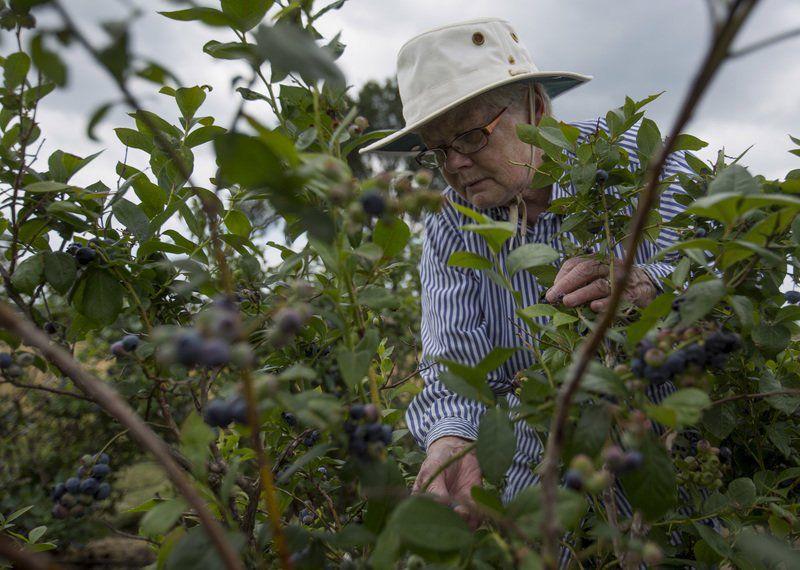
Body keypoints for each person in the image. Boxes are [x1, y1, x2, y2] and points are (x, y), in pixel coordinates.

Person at [360, 18, 690, 532]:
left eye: (470, 136)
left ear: (536, 106)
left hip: (676, 471)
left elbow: (718, 274)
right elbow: (455, 364)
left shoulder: (645, 165)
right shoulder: (452, 217)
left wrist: (648, 283)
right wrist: (452, 442)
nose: (455, 165)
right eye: (437, 150)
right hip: (544, 501)